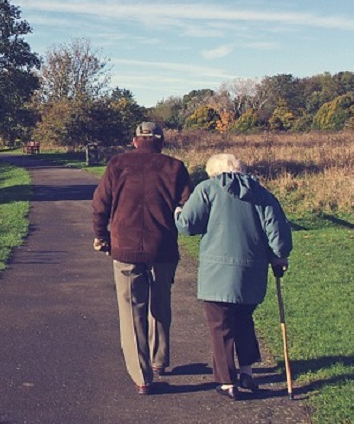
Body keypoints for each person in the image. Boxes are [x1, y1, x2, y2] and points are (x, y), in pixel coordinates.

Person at [175, 153, 293, 400]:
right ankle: (247, 371)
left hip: (217, 273)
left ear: (214, 172)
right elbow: (278, 233)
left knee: (220, 326)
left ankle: (227, 381)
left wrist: (178, 212)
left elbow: (187, 225)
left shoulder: (207, 189)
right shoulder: (262, 193)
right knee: (244, 319)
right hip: (252, 272)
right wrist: (279, 257)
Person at [91, 122, 192, 395]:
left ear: (135, 141)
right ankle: (159, 360)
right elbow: (187, 206)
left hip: (125, 247)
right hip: (163, 249)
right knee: (160, 304)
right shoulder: (175, 167)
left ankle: (142, 377)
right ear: (160, 142)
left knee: (131, 311)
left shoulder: (117, 164)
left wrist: (101, 236)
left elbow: (100, 204)